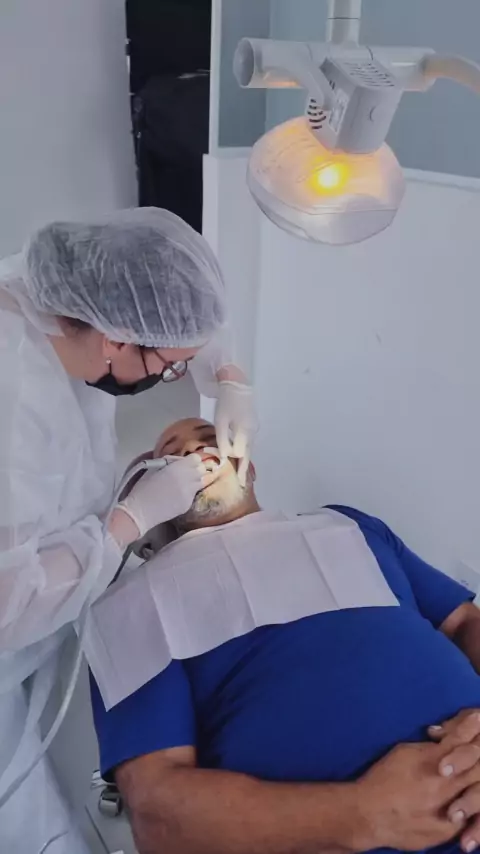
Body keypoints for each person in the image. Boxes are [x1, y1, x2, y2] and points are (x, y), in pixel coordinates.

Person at [89, 417, 480, 854]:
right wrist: (364, 813)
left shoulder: (348, 525)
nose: (195, 454)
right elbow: (157, 815)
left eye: (211, 440)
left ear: (250, 466)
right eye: (171, 456)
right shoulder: (129, 606)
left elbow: (466, 622)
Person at [0, 211, 256, 854]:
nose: (202, 458)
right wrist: (127, 521)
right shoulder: (14, 400)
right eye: (169, 368)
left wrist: (229, 379)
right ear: (115, 342)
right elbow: (8, 601)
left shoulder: (66, 295)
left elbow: (172, 310)